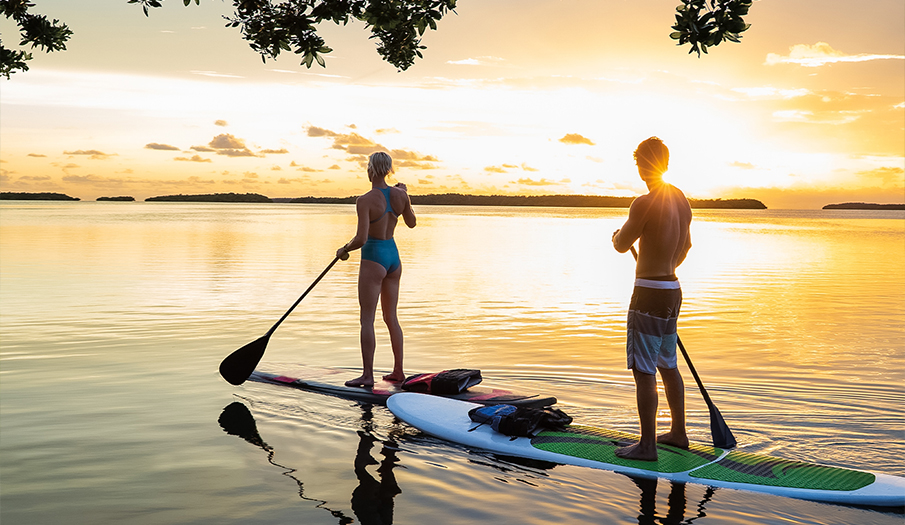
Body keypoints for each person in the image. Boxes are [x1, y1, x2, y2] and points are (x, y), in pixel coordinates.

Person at [611, 137, 692, 461]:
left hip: (648, 293)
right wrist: (665, 265)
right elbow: (685, 248)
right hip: (672, 289)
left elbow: (621, 244)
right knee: (667, 364)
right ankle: (678, 433)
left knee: (644, 370)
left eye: (640, 163)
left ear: (645, 164)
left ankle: (647, 446)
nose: (641, 169)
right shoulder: (681, 200)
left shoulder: (643, 203)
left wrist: (617, 235)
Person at [337, 152, 417, 387]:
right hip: (393, 257)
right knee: (391, 317)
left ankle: (367, 375)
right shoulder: (401, 195)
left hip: (373, 258)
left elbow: (361, 238)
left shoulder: (364, 200)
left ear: (370, 169)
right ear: (389, 170)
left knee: (367, 320)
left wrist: (344, 249)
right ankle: (398, 371)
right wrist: (406, 196)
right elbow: (412, 223)